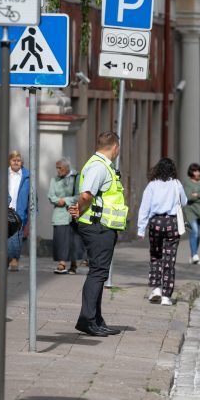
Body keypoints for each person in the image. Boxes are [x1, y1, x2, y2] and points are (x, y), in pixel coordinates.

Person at [68, 131, 127, 336]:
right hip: (97, 227)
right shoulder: (99, 167)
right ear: (115, 147)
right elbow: (86, 194)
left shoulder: (102, 166)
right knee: (98, 272)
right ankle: (87, 320)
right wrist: (80, 208)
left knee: (99, 272)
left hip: (102, 227)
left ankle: (96, 319)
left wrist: (79, 208)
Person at [136, 158, 188, 306]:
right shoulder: (177, 184)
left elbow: (144, 207)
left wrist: (141, 228)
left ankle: (156, 288)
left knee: (156, 256)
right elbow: (184, 202)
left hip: (156, 224)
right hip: (172, 224)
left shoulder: (152, 185)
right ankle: (166, 296)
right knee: (169, 260)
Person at [49, 158, 82, 274]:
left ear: (67, 168)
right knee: (60, 239)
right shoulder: (54, 180)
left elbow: (79, 195)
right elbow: (51, 196)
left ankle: (73, 265)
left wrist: (65, 200)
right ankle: (61, 263)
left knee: (73, 240)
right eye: (57, 168)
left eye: (60, 168)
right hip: (59, 214)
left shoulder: (76, 177)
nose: (58, 170)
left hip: (73, 213)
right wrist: (58, 201)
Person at [6, 151, 30, 271]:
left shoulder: (27, 176)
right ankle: (6, 258)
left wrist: (32, 216)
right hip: (4, 210)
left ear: (22, 162)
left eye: (18, 160)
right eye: (13, 159)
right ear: (9, 161)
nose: (16, 162)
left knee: (16, 237)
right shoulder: (2, 174)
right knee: (4, 236)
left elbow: (33, 197)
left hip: (19, 211)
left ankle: (14, 259)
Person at [182, 163, 200, 264]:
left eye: (198, 171)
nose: (197, 173)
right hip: (190, 210)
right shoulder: (187, 183)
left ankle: (194, 254)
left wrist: (195, 195)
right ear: (191, 172)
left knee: (199, 233)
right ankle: (195, 255)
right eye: (194, 171)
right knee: (194, 231)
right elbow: (188, 196)